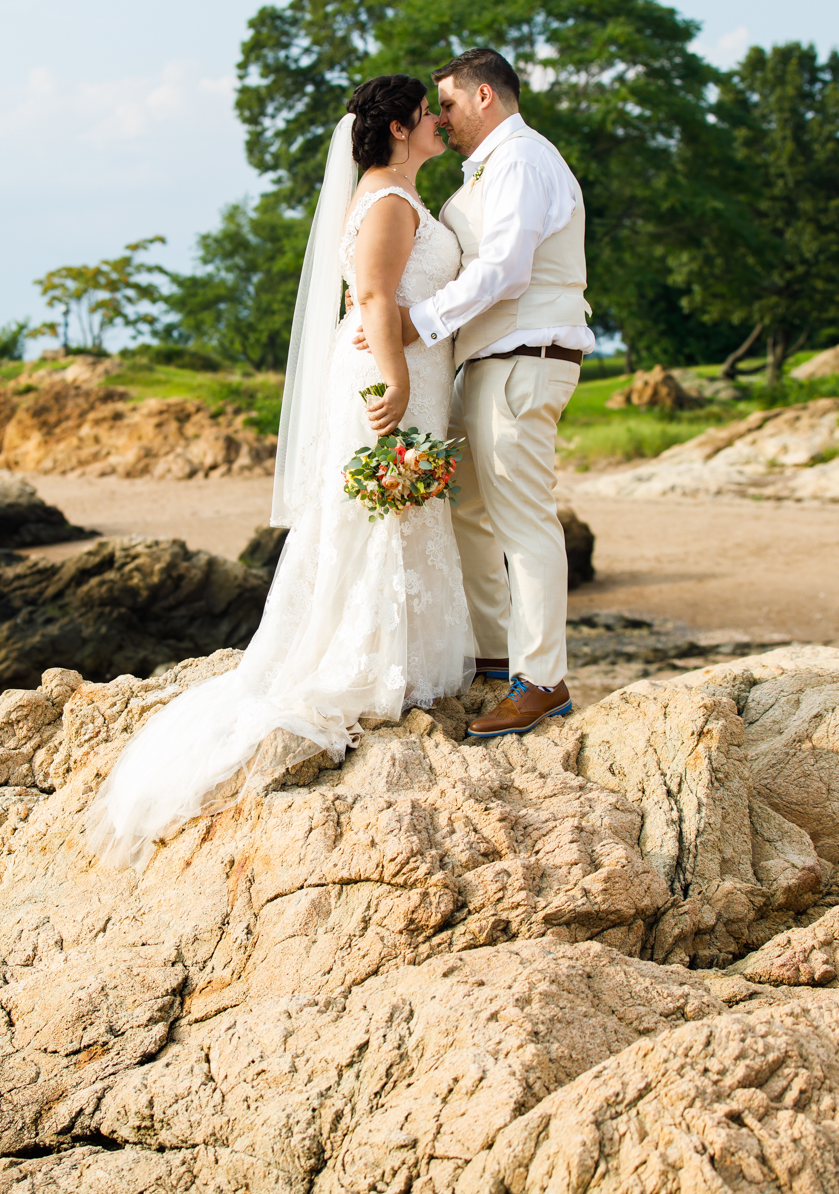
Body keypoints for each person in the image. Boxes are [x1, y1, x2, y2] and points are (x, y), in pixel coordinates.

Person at [84, 76, 474, 872]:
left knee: (391, 509)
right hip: (387, 375)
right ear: (399, 128)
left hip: (407, 369)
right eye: (430, 115)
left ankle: (395, 656)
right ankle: (370, 664)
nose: (441, 122)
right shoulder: (389, 203)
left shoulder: (394, 194)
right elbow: (370, 293)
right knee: (378, 509)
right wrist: (397, 381)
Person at [405, 47, 595, 738]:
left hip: (524, 357)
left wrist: (417, 321)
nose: (442, 118)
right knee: (468, 509)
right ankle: (493, 656)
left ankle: (542, 680)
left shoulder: (521, 159)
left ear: (486, 96)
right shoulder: (494, 165)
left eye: (449, 103)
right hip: (487, 362)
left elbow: (507, 268)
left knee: (523, 519)